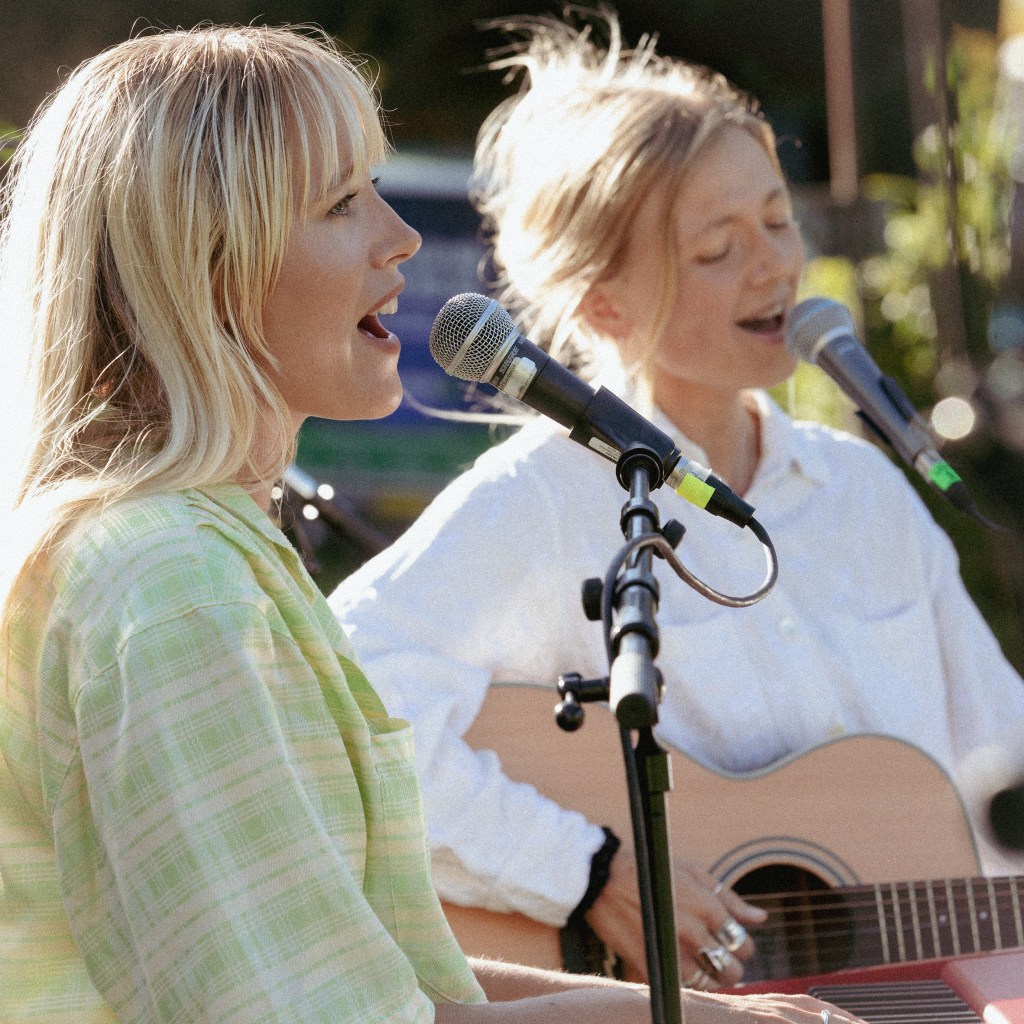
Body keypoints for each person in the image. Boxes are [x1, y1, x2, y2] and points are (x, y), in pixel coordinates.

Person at [0, 20, 863, 1024]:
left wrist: (715, 1015)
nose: (397, 235)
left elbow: (394, 980)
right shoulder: (172, 586)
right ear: (205, 267)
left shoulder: (190, 556)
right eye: (339, 203)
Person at [330, 8, 1024, 991]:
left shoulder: (865, 491)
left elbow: (1001, 774)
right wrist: (581, 873)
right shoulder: (539, 504)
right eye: (718, 247)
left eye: (778, 220)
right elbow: (346, 710)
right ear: (604, 302)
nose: (776, 264)